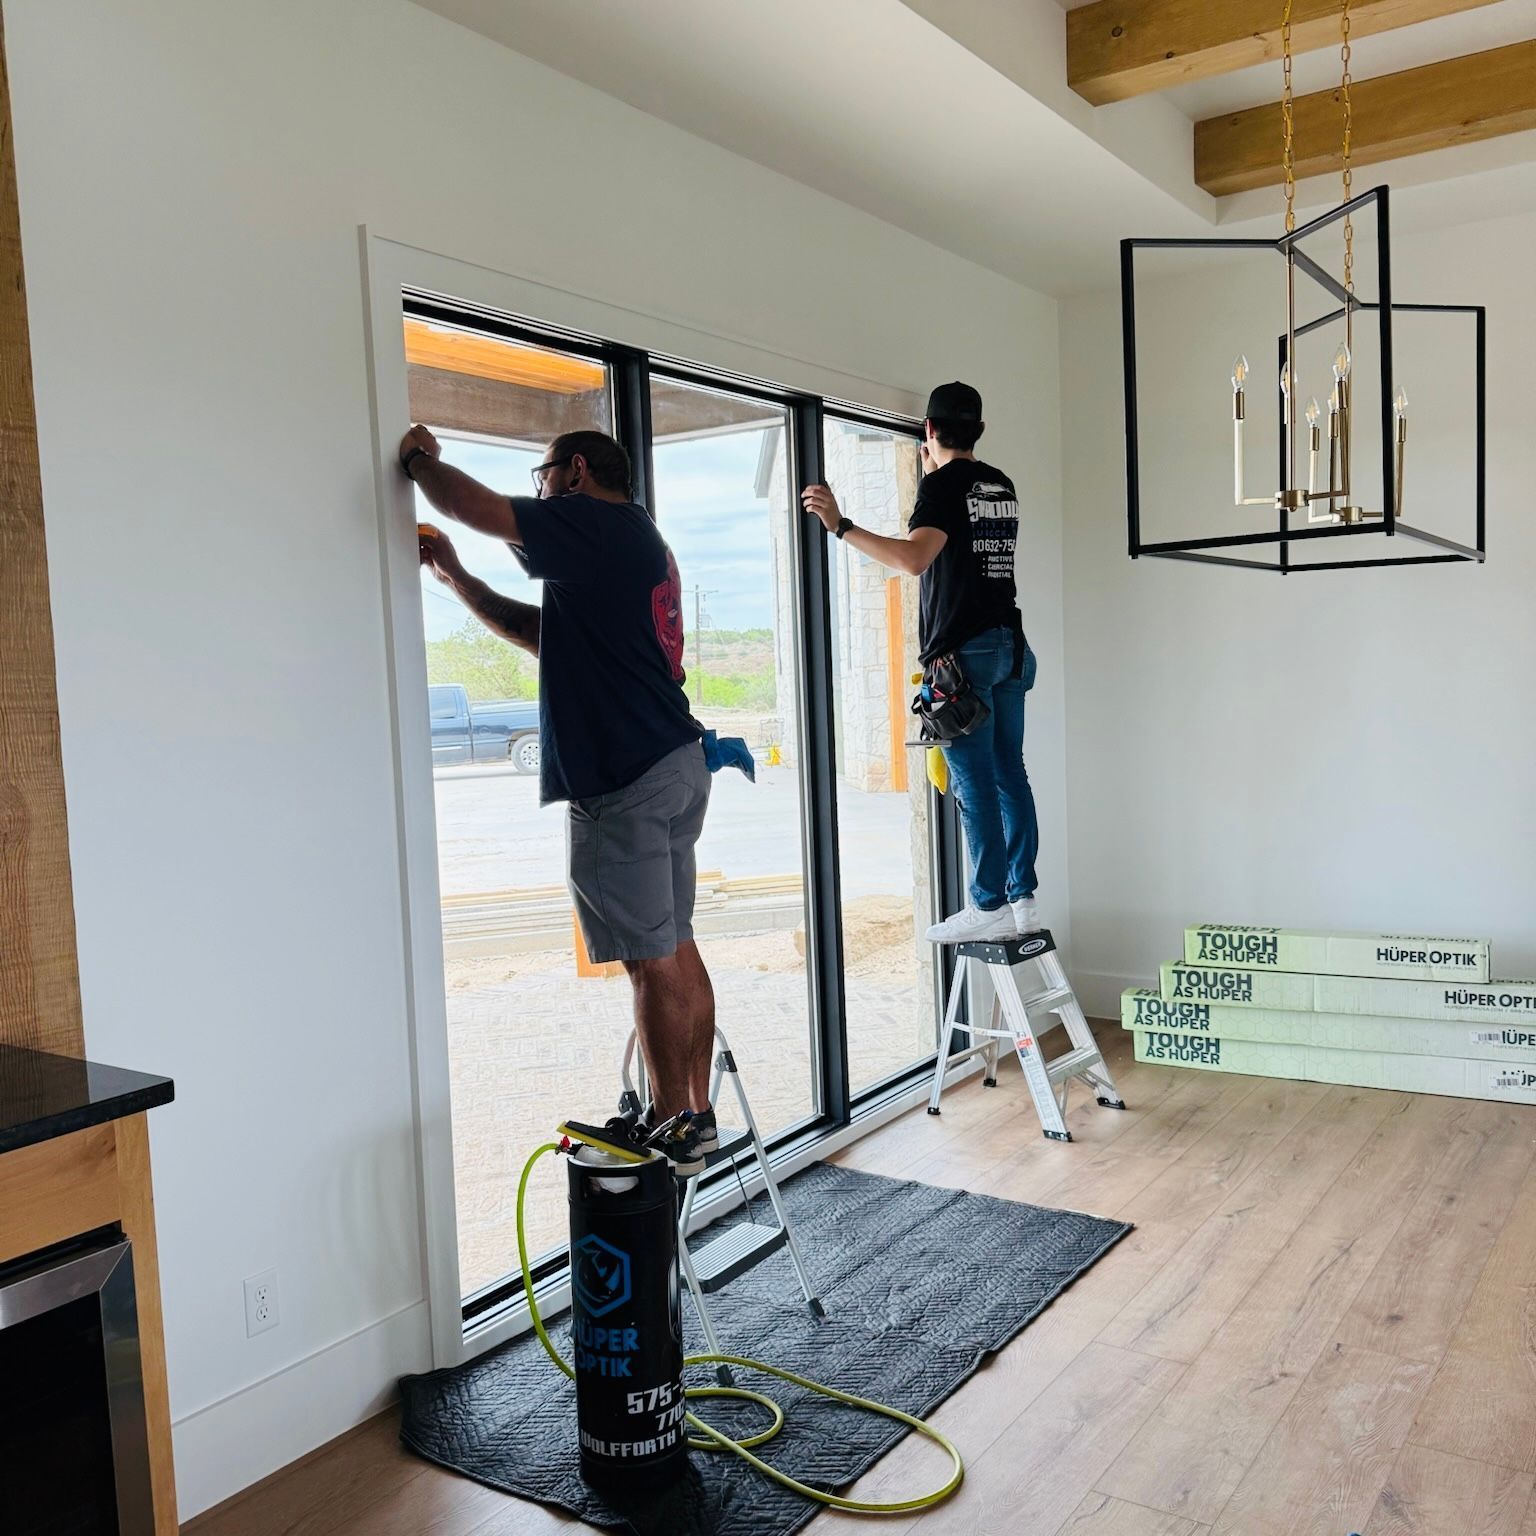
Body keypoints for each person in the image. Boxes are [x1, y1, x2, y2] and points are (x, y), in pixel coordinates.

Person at [402, 423, 716, 1174]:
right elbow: (545, 634)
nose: (538, 493)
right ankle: (694, 1115)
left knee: (649, 963)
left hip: (627, 780)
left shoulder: (596, 522)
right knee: (674, 946)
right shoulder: (628, 541)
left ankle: (675, 1128)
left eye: (542, 478)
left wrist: (420, 461)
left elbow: (474, 506)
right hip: (671, 762)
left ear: (574, 473)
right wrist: (457, 581)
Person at [802, 382, 1039, 944]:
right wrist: (936, 466)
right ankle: (1021, 897)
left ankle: (987, 904)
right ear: (978, 430)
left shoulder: (941, 487)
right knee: (1010, 773)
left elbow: (914, 560)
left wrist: (841, 525)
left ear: (929, 429)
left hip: (965, 657)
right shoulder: (999, 483)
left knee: (973, 782)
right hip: (1010, 645)